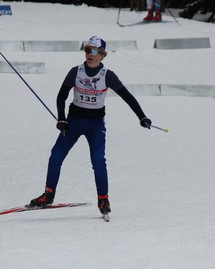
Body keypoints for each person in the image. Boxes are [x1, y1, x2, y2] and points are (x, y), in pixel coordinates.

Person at [29, 36, 152, 216]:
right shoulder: (76, 72)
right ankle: (48, 195)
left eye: (95, 51)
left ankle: (103, 199)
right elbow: (61, 96)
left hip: (95, 125)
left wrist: (142, 116)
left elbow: (128, 97)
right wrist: (62, 119)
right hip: (74, 121)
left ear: (103, 56)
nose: (90, 54)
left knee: (98, 160)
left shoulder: (107, 76)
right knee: (56, 155)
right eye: (88, 50)